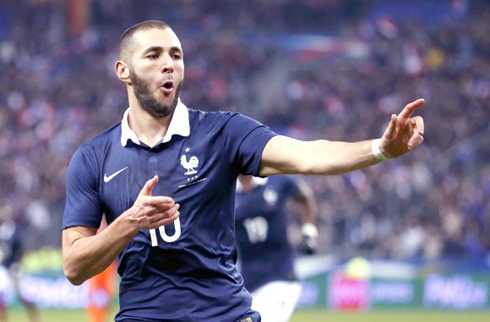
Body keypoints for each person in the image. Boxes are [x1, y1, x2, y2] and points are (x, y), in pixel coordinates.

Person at [61, 20, 425, 322]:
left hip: (224, 314)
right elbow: (75, 267)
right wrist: (129, 223)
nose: (168, 64)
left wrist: (380, 149)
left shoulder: (224, 133)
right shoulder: (94, 157)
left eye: (176, 55)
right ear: (123, 71)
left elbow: (307, 156)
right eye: (153, 55)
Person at [235, 174, 317, 322]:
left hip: (280, 274)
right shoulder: (227, 190)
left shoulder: (276, 180)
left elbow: (304, 195)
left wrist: (308, 230)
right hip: (248, 280)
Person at [0, 205, 41, 322]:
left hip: (15, 267)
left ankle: (35, 318)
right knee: (1, 294)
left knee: (23, 295)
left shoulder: (13, 229)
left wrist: (17, 262)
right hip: (4, 267)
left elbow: (21, 248)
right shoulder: (2, 230)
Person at [86, 218, 117, 322]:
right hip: (98, 289)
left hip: (102, 289)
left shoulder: (107, 253)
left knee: (99, 314)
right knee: (97, 314)